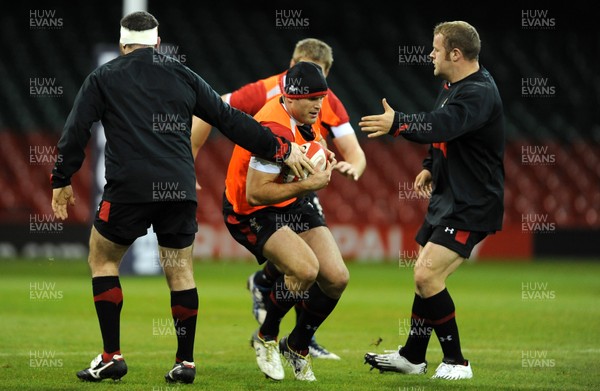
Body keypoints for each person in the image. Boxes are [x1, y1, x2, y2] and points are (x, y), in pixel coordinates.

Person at [50, 11, 311, 385]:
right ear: (158, 43)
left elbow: (76, 129)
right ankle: (185, 362)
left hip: (130, 186)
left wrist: (62, 177)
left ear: (123, 45)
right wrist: (281, 149)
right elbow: (229, 118)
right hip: (178, 186)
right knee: (180, 269)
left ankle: (111, 357)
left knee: (103, 259)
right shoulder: (182, 74)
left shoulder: (103, 77)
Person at [191, 38, 366, 360]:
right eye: (300, 69)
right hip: (263, 194)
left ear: (327, 74)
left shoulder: (327, 101)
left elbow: (355, 152)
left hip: (300, 185)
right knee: (303, 267)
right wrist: (190, 159)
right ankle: (270, 329)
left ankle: (298, 337)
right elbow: (209, 110)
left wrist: (351, 166)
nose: (307, 81)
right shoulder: (265, 96)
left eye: (318, 76)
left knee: (330, 274)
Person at [360, 21, 505, 380]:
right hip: (450, 197)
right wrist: (430, 165)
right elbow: (447, 134)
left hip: (472, 203)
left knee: (427, 274)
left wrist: (397, 123)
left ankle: (456, 361)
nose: (430, 54)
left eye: (436, 49)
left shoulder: (479, 92)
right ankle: (412, 355)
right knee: (424, 276)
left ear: (455, 54)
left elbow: (442, 124)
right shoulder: (454, 86)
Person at [222, 61, 349, 381]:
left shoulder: (307, 110)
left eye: (322, 97)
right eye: (312, 99)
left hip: (291, 200)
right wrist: (309, 184)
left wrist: (323, 152)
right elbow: (255, 193)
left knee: (336, 278)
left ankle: (297, 346)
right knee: (305, 270)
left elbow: (314, 139)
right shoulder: (272, 129)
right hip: (250, 211)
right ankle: (266, 338)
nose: (319, 104)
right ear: (290, 98)